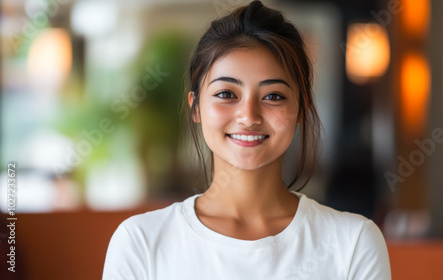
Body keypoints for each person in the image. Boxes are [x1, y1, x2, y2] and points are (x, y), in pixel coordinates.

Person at [102, 1, 391, 279]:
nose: (248, 115)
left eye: (273, 96)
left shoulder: (353, 243)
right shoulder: (141, 242)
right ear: (195, 107)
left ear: (301, 109)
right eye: (227, 94)